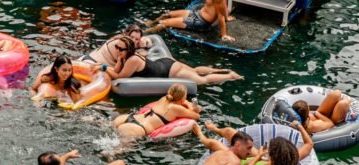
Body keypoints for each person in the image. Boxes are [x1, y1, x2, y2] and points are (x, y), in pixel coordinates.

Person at [83, 31, 241, 85]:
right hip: (164, 63)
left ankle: (229, 75)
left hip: (169, 71)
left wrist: (103, 67)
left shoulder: (132, 60)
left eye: (120, 49)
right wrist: (102, 66)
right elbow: (116, 69)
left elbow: (118, 76)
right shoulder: (124, 56)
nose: (117, 50)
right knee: (194, 70)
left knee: (201, 81)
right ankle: (220, 69)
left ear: (128, 49)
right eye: (117, 47)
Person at [193, 120, 314, 165]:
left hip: (238, 163)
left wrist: (259, 156)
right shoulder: (294, 157)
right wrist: (299, 126)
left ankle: (200, 134)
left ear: (274, 154)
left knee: (214, 144)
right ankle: (215, 129)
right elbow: (309, 143)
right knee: (231, 132)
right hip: (262, 158)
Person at [113, 83, 201, 139]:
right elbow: (196, 116)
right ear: (182, 98)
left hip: (128, 118)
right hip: (138, 128)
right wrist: (190, 105)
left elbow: (178, 100)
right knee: (118, 151)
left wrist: (183, 101)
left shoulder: (164, 98)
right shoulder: (176, 108)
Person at [146, 0, 235, 42]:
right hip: (197, 13)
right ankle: (151, 23)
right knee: (168, 14)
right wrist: (227, 17)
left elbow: (221, 16)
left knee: (164, 23)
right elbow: (225, 9)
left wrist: (224, 34)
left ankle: (145, 32)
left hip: (200, 22)